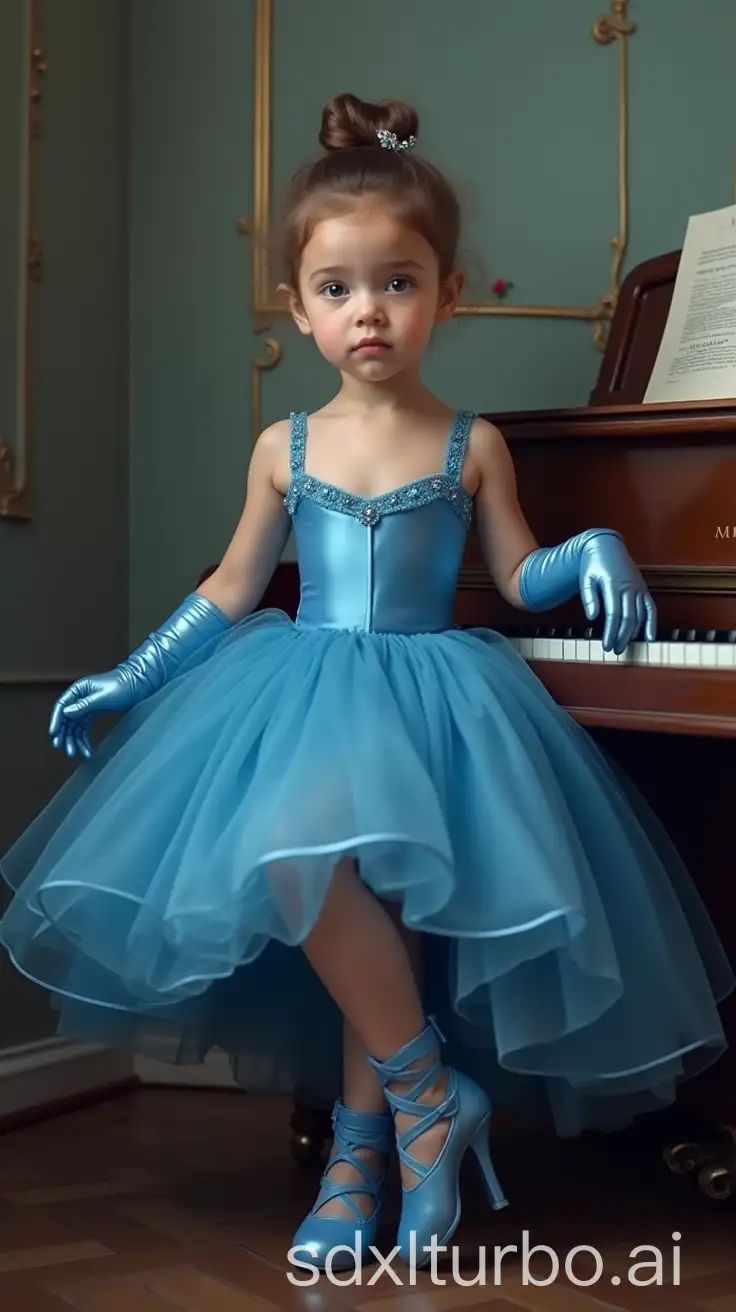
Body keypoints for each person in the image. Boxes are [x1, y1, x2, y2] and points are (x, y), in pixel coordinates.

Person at [1, 93, 732, 1273]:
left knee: (382, 907)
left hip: (437, 696)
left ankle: (363, 1148)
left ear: (448, 290)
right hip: (303, 684)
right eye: (337, 289)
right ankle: (425, 1098)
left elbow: (516, 574)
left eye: (397, 282)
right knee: (301, 861)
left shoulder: (471, 442)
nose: (368, 312)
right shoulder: (281, 446)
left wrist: (586, 552)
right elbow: (236, 588)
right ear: (296, 308)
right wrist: (127, 676)